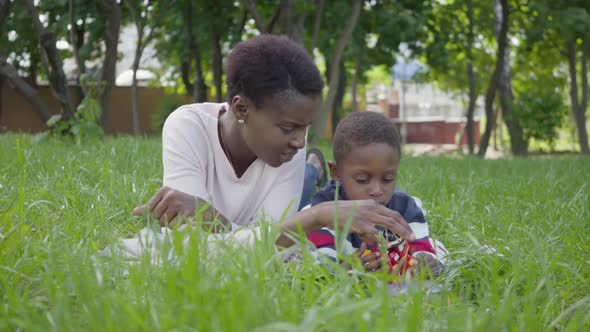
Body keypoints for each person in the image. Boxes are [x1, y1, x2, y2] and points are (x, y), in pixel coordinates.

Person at [132, 34, 416, 249]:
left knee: (302, 196)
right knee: (306, 191)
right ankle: (313, 169)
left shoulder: (289, 147)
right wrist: (314, 217)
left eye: (304, 128)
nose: (298, 141)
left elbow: (270, 243)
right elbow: (193, 246)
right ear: (241, 109)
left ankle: (310, 170)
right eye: (288, 128)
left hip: (272, 204)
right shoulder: (188, 127)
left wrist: (213, 218)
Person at [306, 111, 445, 277]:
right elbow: (323, 262)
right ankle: (312, 169)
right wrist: (345, 271)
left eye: (387, 179)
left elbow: (420, 247)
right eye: (362, 180)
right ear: (336, 172)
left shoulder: (404, 207)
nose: (377, 190)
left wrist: (423, 261)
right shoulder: (325, 208)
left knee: (441, 250)